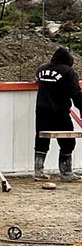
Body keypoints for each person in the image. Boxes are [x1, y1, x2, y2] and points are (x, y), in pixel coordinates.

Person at [34, 46, 82, 182]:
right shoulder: (68, 72)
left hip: (41, 109)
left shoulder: (42, 69)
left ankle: (38, 172)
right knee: (67, 141)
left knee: (41, 139)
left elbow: (37, 77)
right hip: (59, 111)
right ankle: (66, 173)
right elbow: (76, 94)